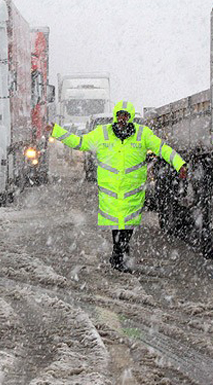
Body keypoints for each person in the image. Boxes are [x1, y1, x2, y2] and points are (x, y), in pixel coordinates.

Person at [45, 100, 188, 273]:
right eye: (120, 115)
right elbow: (79, 142)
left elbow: (163, 149)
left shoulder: (143, 135)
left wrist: (180, 164)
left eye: (126, 116)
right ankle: (120, 256)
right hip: (110, 191)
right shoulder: (102, 134)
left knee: (127, 225)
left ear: (131, 118)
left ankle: (119, 255)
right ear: (115, 116)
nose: (122, 119)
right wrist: (57, 131)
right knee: (117, 224)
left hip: (132, 190)